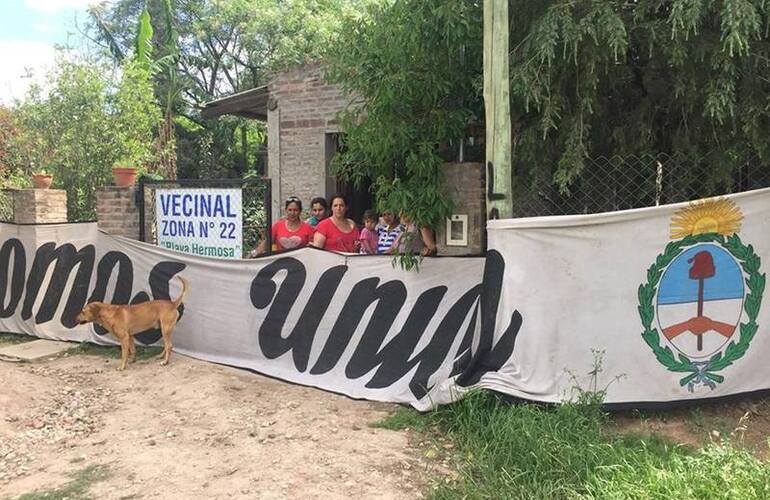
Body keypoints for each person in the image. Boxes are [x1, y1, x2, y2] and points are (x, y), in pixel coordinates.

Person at [250, 196, 315, 256]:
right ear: (286, 210)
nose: (292, 213)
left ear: (300, 211)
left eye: (295, 210)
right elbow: (266, 243)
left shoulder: (308, 228)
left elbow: (313, 249)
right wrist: (253, 254)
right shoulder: (277, 226)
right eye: (290, 210)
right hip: (280, 263)